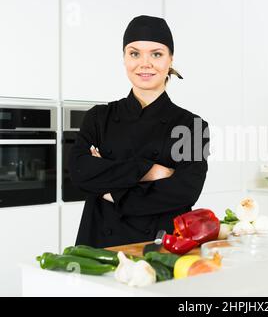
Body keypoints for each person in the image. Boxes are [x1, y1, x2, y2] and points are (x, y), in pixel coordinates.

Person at [69, 15, 210, 248]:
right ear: (124, 59)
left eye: (156, 54)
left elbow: (185, 191)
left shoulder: (192, 125)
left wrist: (111, 193)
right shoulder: (98, 116)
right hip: (98, 245)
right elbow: (79, 171)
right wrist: (149, 170)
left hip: (159, 245)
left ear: (170, 60)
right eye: (134, 53)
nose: (145, 63)